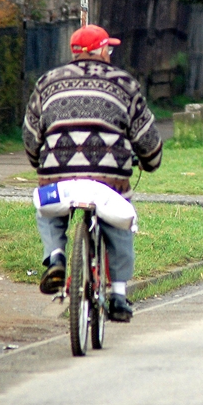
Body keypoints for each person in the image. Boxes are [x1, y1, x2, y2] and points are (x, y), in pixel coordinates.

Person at [22, 24, 163, 322]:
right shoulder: (125, 84)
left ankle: (56, 257)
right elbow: (146, 138)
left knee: (47, 211)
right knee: (121, 221)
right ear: (100, 51)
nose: (109, 53)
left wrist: (40, 163)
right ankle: (119, 296)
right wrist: (150, 161)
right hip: (108, 181)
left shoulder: (47, 82)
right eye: (108, 49)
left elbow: (31, 135)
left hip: (58, 177)